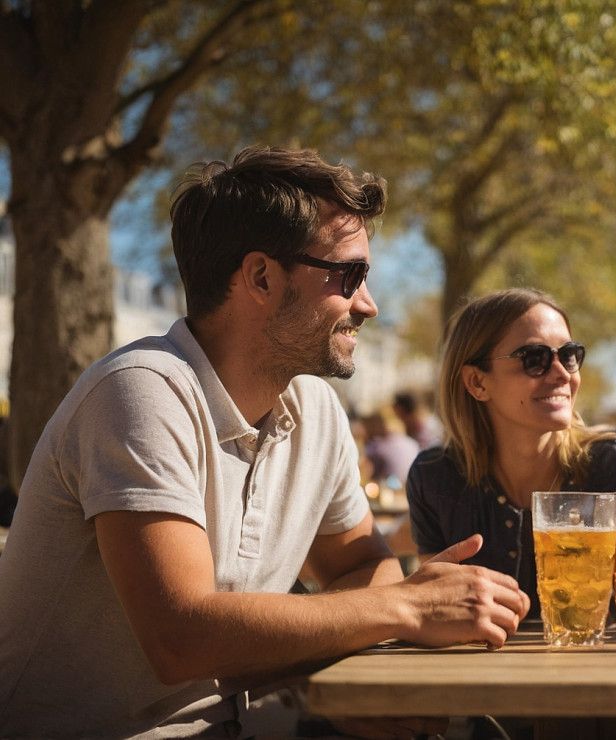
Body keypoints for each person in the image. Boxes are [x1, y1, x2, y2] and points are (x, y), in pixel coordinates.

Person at [0, 146, 528, 738]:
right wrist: (404, 608)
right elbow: (181, 637)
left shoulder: (316, 411)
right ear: (261, 277)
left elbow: (358, 566)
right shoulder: (141, 393)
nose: (369, 304)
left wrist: (352, 682)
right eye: (349, 275)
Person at [406, 288, 616, 619]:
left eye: (569, 355)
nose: (562, 374)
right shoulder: (436, 478)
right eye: (534, 358)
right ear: (477, 382)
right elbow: (438, 610)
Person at [362, 406, 421, 488]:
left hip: (391, 487)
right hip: (410, 486)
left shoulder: (377, 446)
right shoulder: (412, 443)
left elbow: (365, 472)